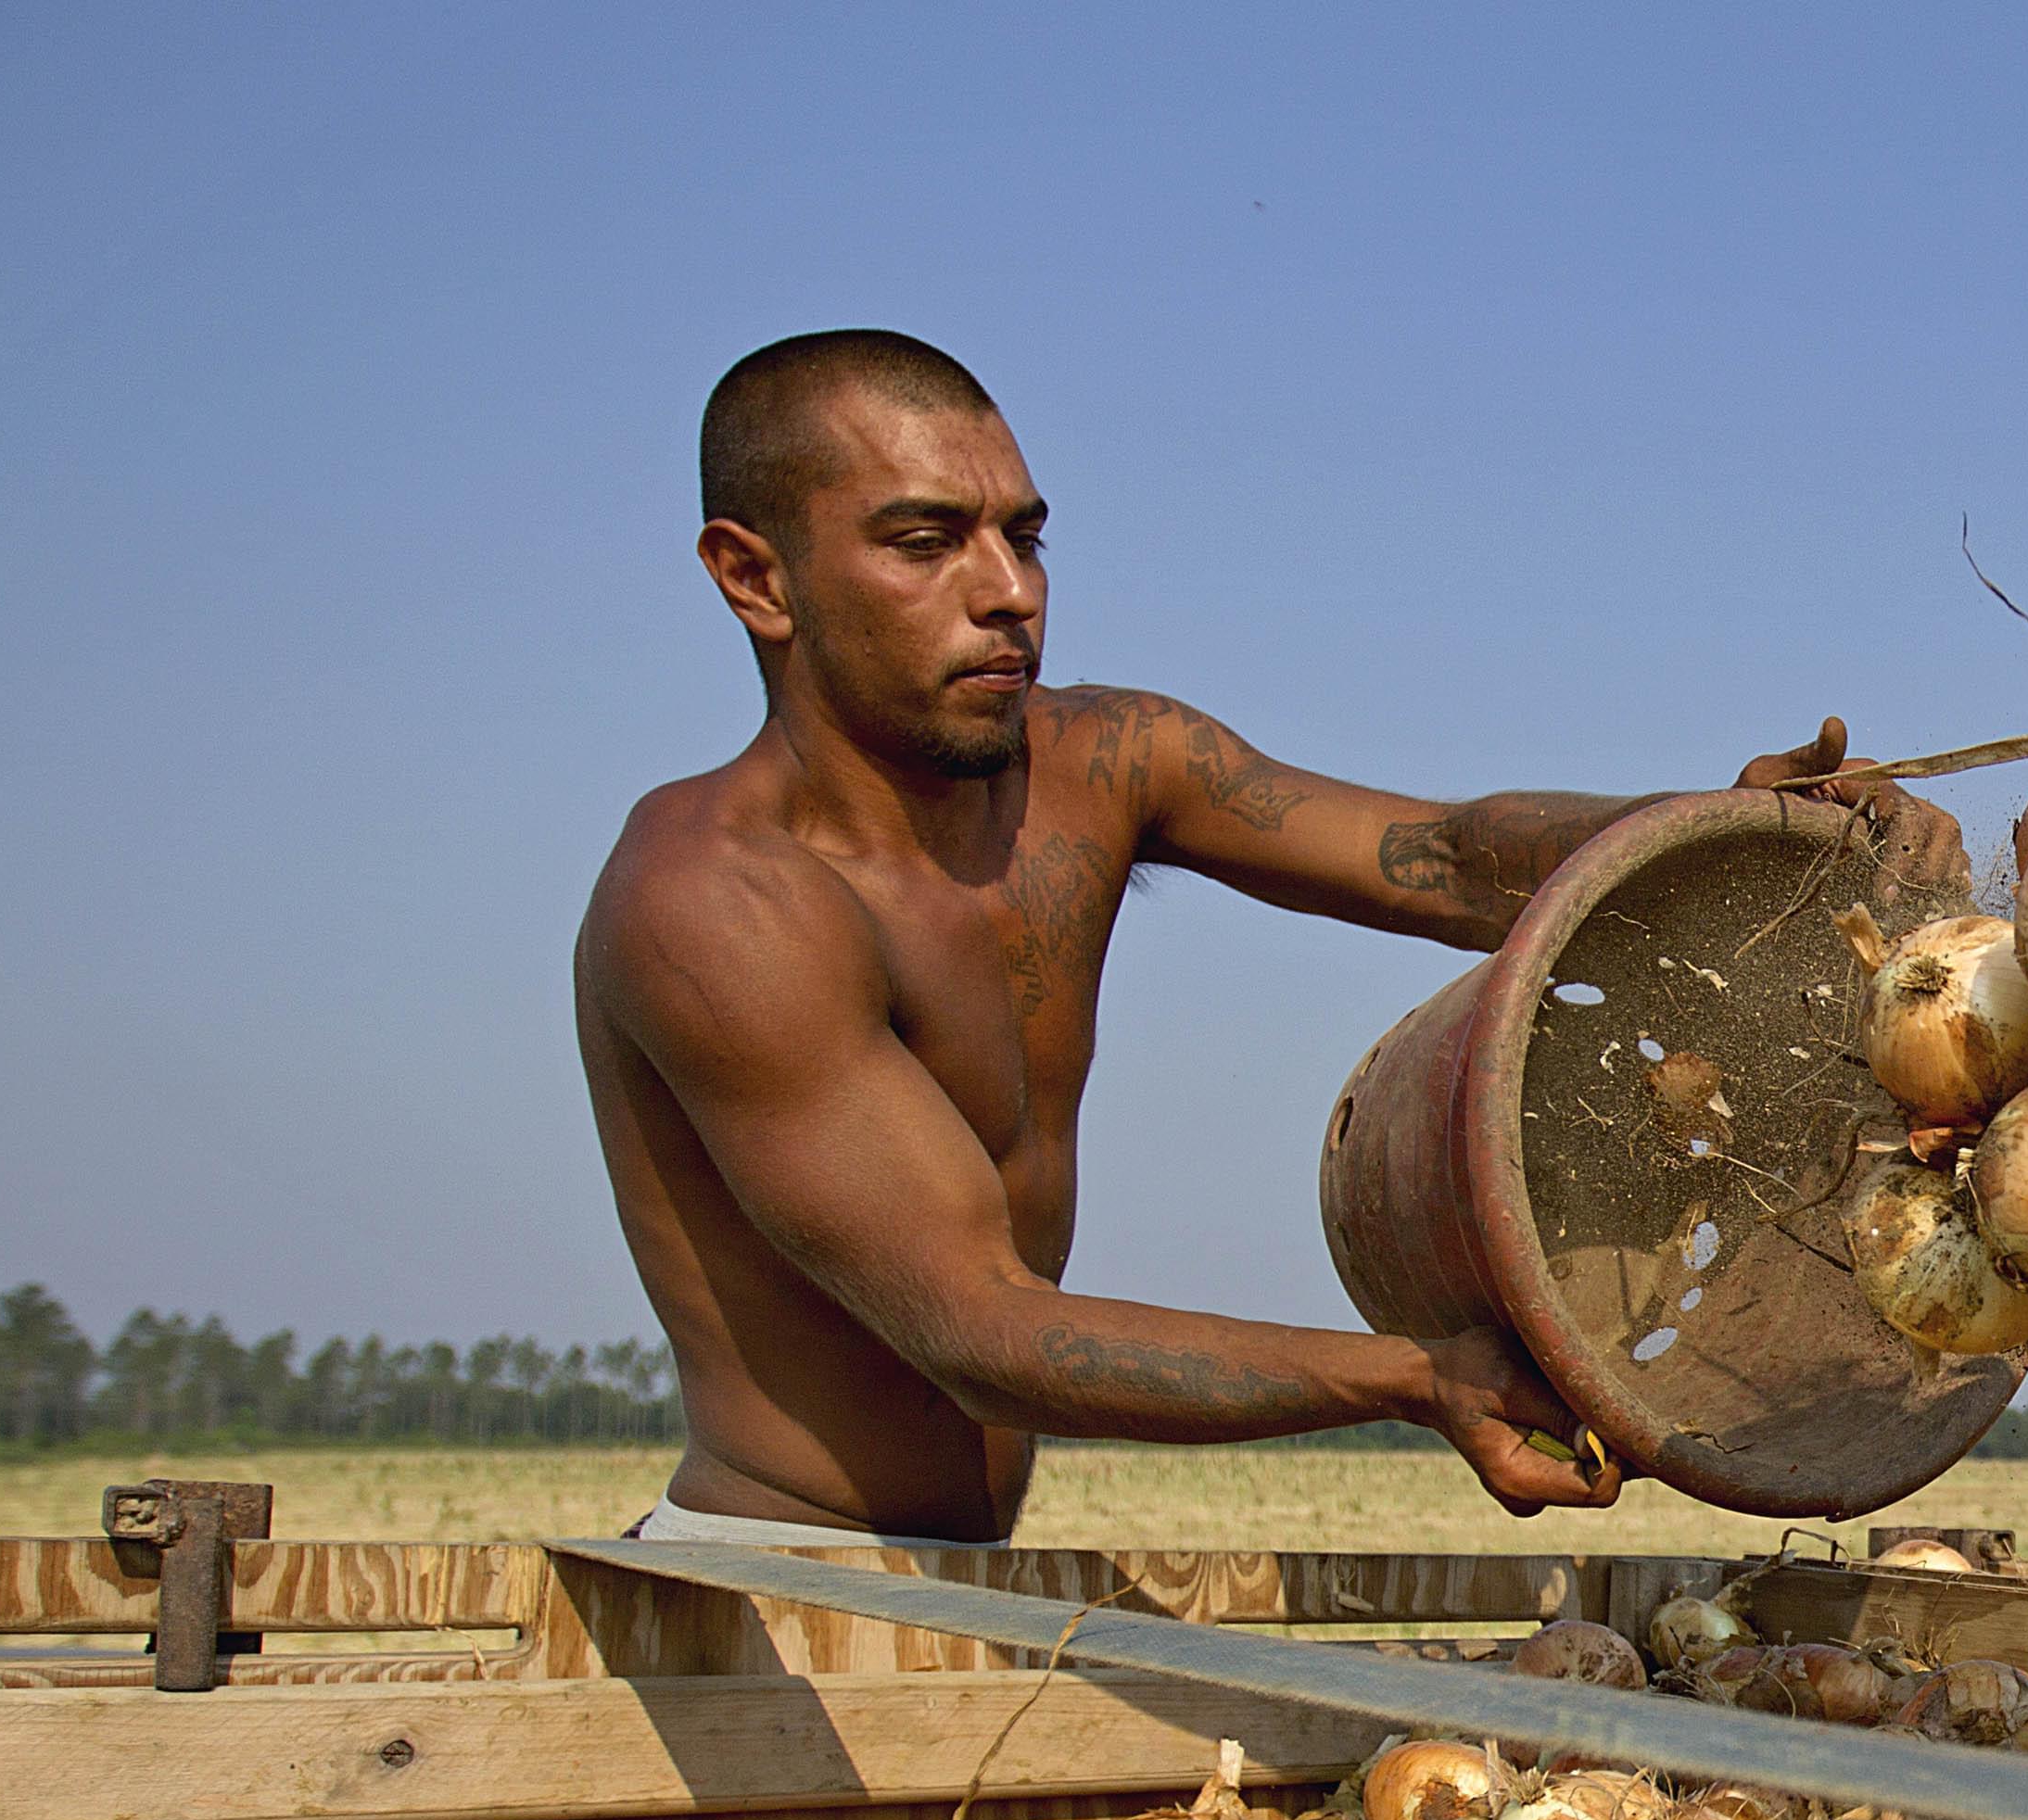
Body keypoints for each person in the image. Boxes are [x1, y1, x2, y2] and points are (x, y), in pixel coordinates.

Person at [575, 328, 1958, 1543]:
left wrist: (1723, 829)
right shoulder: (715, 903)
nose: (1008, 590)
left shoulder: (1103, 760)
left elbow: (1447, 860)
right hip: (773, 1577)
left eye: (1025, 534)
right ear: (755, 579)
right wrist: (1419, 1375)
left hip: (974, 1576)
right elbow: (979, 1331)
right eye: (926, 543)